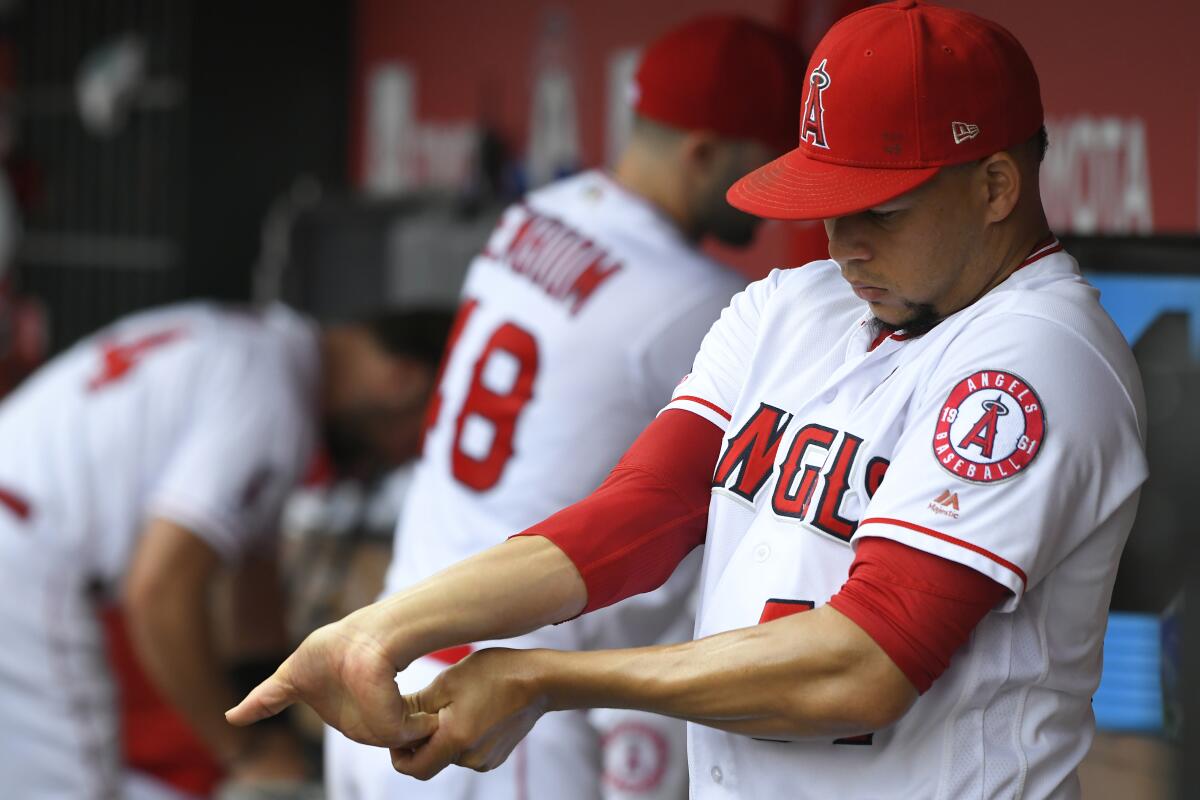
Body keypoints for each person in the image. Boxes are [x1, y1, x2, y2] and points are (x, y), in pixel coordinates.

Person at [228, 2, 1149, 798]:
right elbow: (638, 516)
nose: (843, 244)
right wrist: (381, 628)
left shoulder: (1040, 355)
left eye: (884, 209)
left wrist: (550, 677)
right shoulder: (790, 307)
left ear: (994, 186)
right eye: (829, 203)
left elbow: (869, 663)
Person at [322, 15, 802, 800]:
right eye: (773, 161)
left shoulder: (540, 212)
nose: (785, 190)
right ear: (705, 154)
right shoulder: (699, 300)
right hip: (488, 728)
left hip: (387, 669)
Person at [0, 299, 451, 798]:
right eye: (417, 438)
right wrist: (246, 753)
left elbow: (251, 590)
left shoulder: (266, 348)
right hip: (24, 564)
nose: (395, 457)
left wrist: (268, 723)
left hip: (22, 533)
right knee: (80, 787)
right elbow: (157, 593)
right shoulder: (274, 393)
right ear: (404, 380)